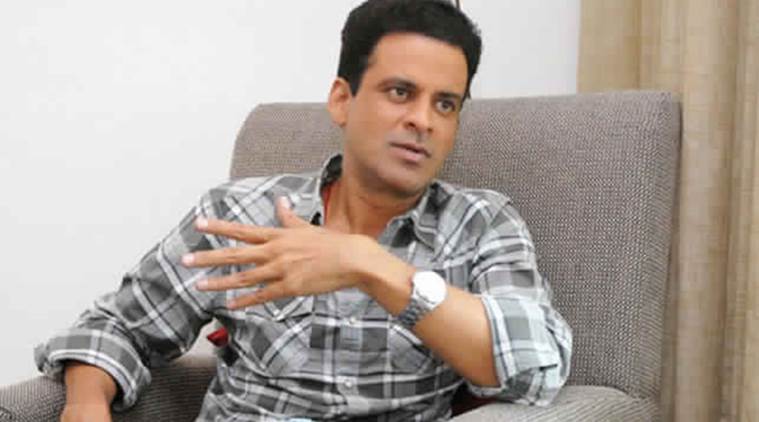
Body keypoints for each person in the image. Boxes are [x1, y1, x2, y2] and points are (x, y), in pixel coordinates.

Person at [35, 0, 572, 420]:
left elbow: (534, 368)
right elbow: (117, 326)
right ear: (342, 100)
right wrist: (86, 402)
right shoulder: (242, 212)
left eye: (445, 104)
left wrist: (368, 264)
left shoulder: (481, 224)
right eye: (400, 92)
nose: (423, 121)